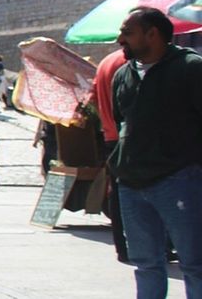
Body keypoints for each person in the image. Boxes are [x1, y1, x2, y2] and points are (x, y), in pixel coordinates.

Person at [109, 7, 202, 299]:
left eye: (127, 32)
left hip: (180, 181)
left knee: (194, 264)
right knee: (146, 264)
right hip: (131, 185)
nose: (119, 39)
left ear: (153, 34)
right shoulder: (122, 75)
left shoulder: (190, 68)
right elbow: (120, 124)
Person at [92, 48, 129, 262]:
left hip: (110, 135)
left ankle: (122, 246)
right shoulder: (129, 63)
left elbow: (93, 99)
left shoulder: (106, 62)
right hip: (129, 135)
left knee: (117, 191)